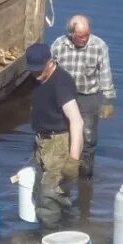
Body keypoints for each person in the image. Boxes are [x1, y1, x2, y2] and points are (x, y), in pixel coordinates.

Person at [25, 42, 86, 228]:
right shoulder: (35, 78)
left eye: (39, 71)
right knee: (41, 190)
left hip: (59, 143)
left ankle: (51, 238)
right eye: (32, 71)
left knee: (49, 196)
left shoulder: (62, 83)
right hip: (42, 142)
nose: (36, 75)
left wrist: (73, 160)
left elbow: (77, 121)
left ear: (50, 62)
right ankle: (66, 224)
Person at [51, 14, 116, 177]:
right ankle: (62, 171)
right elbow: (49, 73)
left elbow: (105, 74)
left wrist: (108, 100)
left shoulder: (99, 46)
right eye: (80, 36)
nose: (84, 39)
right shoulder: (58, 45)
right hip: (65, 96)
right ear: (71, 33)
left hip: (89, 96)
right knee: (62, 134)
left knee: (88, 138)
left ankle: (85, 177)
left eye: (87, 35)